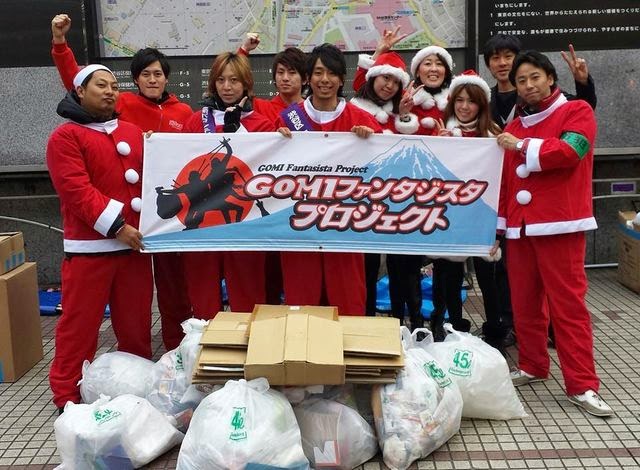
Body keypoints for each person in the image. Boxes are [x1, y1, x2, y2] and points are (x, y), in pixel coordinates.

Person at [51, 14, 195, 350]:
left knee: (161, 300)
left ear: (166, 78)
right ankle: (67, 391)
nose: (152, 79)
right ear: (136, 80)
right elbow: (80, 80)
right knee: (81, 319)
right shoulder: (120, 108)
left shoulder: (183, 112)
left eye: (158, 73)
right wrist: (60, 45)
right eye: (145, 74)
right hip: (117, 232)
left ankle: (171, 352)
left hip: (160, 219)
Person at [495, 51, 613, 417]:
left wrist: (524, 148)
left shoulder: (576, 111)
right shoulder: (514, 126)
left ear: (550, 77)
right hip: (520, 228)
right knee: (525, 304)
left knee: (568, 307)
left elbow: (571, 151)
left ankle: (582, 384)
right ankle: (532, 365)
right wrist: (499, 228)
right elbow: (504, 181)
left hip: (561, 224)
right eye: (521, 81)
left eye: (534, 77)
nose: (528, 86)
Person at [47, 65, 153, 412]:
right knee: (79, 326)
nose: (110, 91)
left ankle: (138, 386)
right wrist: (119, 227)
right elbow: (77, 193)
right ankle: (67, 393)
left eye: (113, 86)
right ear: (80, 91)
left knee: (136, 324)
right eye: (100, 85)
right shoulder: (65, 137)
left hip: (134, 248)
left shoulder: (134, 132)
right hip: (91, 251)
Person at [276, 43, 382, 315]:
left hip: (345, 226)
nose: (325, 80)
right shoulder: (288, 119)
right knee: (301, 302)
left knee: (348, 299)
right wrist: (276, 141)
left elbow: (385, 163)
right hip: (299, 224)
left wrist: (371, 142)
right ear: (308, 77)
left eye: (332, 73)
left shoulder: (361, 119)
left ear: (342, 78)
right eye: (319, 72)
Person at [181, 52, 274, 316]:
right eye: (221, 80)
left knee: (248, 290)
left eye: (234, 80)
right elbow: (177, 160)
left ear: (246, 84)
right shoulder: (195, 120)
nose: (227, 87)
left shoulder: (261, 123)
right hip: (202, 219)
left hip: (244, 219)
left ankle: (249, 346)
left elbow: (268, 169)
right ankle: (203, 345)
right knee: (202, 291)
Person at [349, 44, 425, 329]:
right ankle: (365, 322)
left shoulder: (402, 113)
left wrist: (403, 117)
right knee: (366, 269)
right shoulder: (355, 108)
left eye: (395, 81)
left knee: (403, 268)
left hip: (400, 203)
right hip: (362, 203)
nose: (389, 85)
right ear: (373, 78)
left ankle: (408, 323)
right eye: (385, 78)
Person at [483, 34, 597, 129]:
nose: (502, 63)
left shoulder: (544, 95)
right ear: (488, 65)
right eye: (495, 58)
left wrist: (583, 82)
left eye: (508, 56)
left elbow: (584, 107)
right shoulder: (483, 99)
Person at [394, 45, 454, 136]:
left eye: (439, 64)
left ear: (446, 73)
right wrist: (404, 115)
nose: (434, 69)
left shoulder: (455, 100)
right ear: (417, 72)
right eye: (428, 64)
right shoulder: (404, 99)